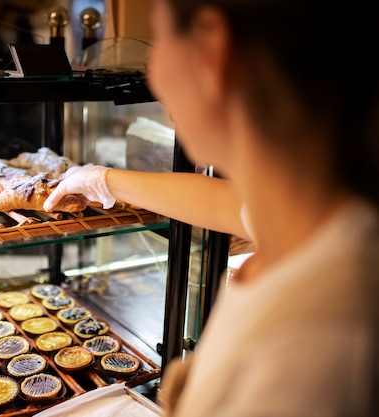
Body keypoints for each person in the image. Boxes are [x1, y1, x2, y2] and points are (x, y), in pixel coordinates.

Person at [44, 0, 379, 415]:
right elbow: (233, 204)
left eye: (159, 39)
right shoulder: (321, 211)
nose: (152, 69)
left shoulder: (305, 349)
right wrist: (103, 180)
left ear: (212, 53)